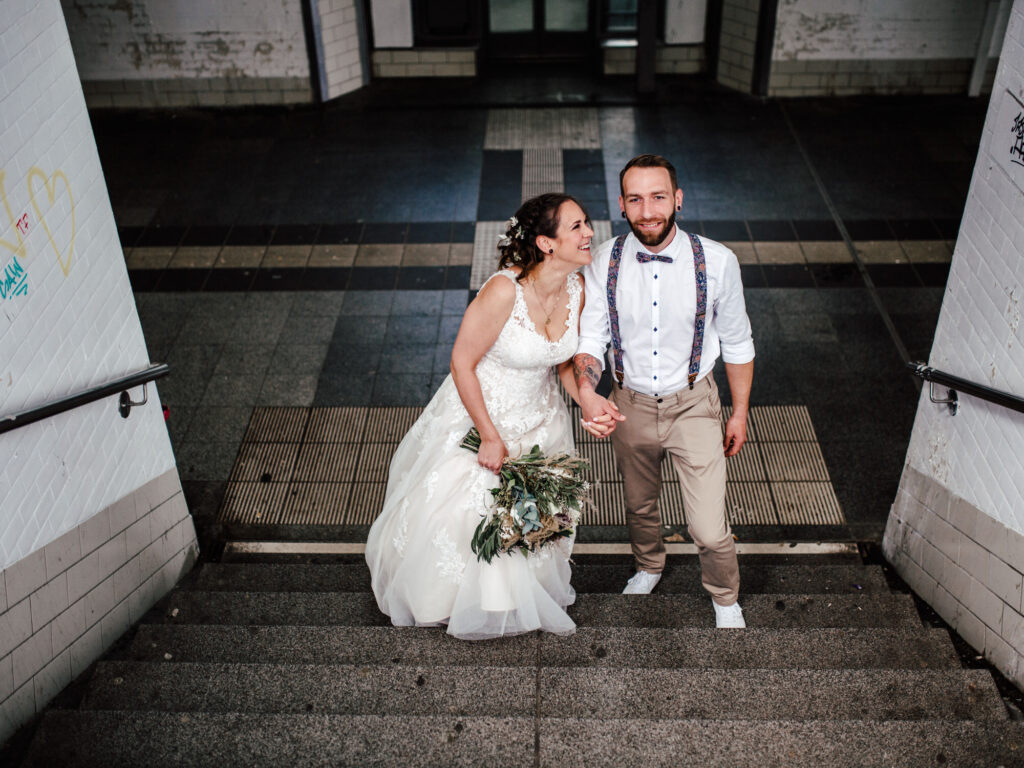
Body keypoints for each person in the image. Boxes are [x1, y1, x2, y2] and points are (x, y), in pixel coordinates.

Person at [366, 193, 605, 640]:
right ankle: (448, 600)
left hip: (541, 419)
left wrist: (587, 399)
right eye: (576, 226)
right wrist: (490, 436)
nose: (589, 232)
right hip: (483, 414)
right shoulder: (503, 291)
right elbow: (462, 362)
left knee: (531, 514)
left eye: (585, 223)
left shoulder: (577, 287)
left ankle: (514, 598)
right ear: (546, 243)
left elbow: (559, 362)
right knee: (466, 510)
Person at [573, 154, 755, 629]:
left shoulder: (717, 262)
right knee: (639, 504)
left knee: (708, 528)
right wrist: (589, 392)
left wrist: (739, 413)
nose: (648, 211)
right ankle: (649, 566)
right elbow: (591, 338)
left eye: (658, 197)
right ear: (621, 204)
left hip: (693, 404)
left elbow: (738, 342)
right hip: (628, 403)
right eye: (635, 199)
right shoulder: (603, 261)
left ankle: (724, 596)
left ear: (678, 199)